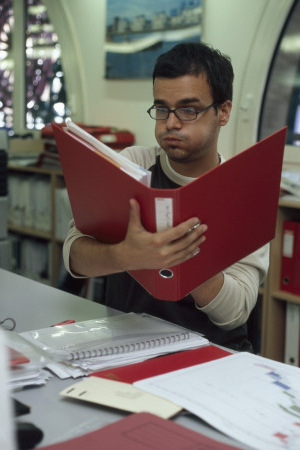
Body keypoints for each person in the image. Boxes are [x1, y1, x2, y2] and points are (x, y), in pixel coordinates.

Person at [63, 42, 269, 351]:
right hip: (127, 347)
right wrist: (124, 256)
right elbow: (73, 256)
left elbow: (235, 313)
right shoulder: (132, 165)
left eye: (188, 109)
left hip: (211, 356)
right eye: (162, 109)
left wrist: (183, 259)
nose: (171, 123)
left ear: (223, 112)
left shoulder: (245, 193)